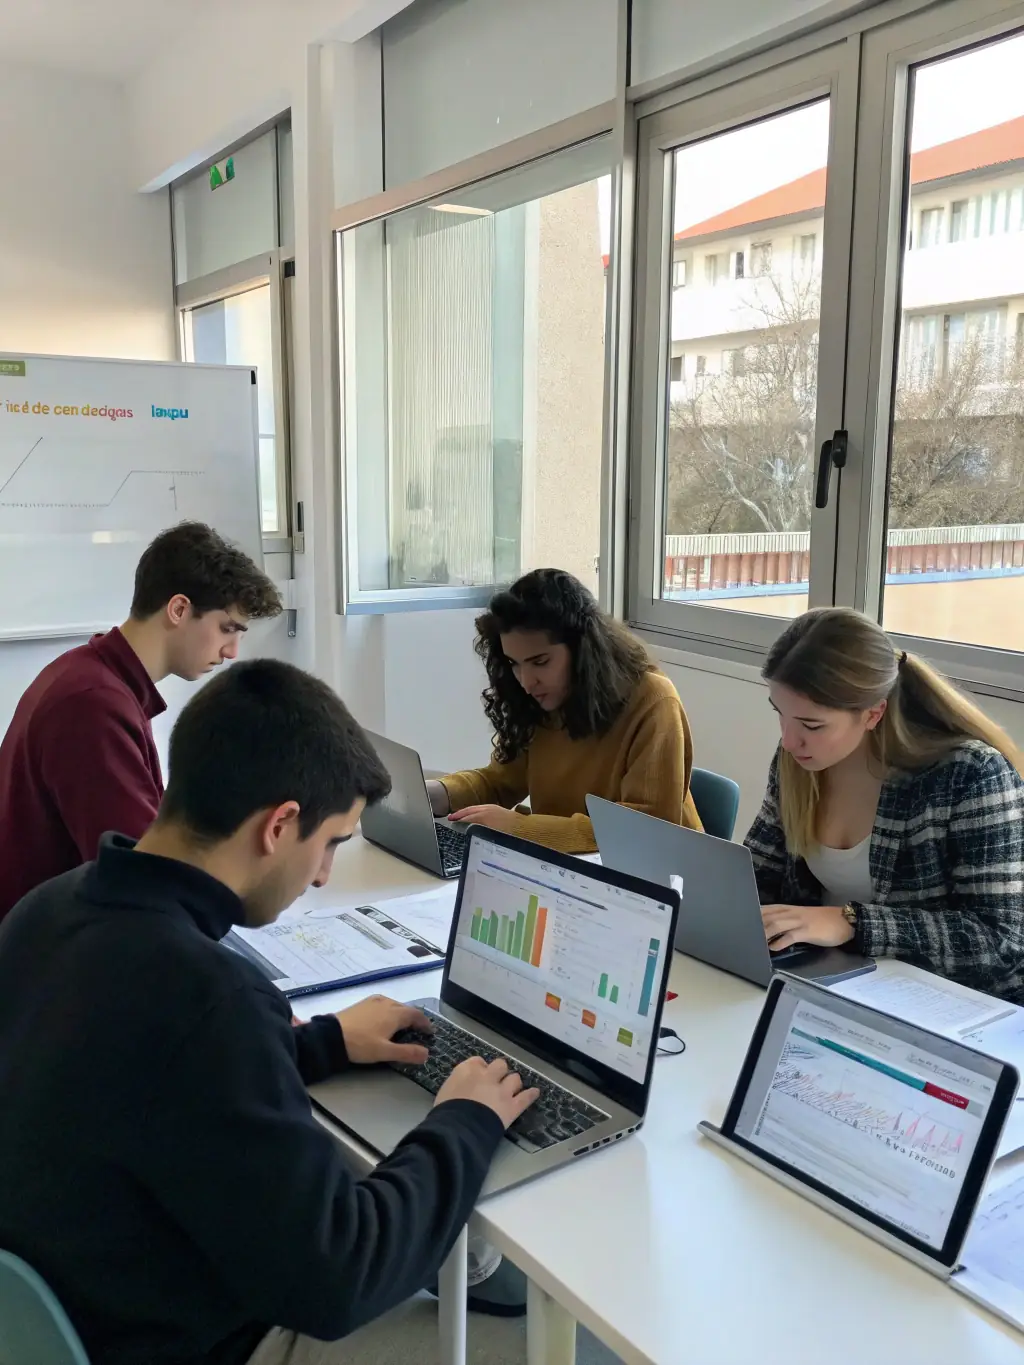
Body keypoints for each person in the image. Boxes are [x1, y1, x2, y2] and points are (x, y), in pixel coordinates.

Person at [0, 658, 538, 1365]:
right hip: (190, 1338)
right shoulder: (211, 996)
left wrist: (323, 1042)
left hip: (67, 1308)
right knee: (511, 1337)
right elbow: (341, 1277)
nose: (321, 875)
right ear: (280, 825)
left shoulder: (45, 910)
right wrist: (466, 1119)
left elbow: (147, 1078)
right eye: (331, 843)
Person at [0, 520, 281, 916]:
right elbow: (142, 873)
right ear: (179, 609)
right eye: (226, 629)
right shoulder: (92, 704)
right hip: (46, 951)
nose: (232, 651)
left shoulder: (94, 675)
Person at [745, 606, 1024, 1001]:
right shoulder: (800, 762)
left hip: (952, 1004)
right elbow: (758, 873)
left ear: (873, 713)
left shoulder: (971, 775)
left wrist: (852, 922)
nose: (790, 741)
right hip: (831, 980)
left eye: (811, 725)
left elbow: (1000, 940)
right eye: (781, 715)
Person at [429, 568, 702, 854]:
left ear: (583, 649)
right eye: (514, 663)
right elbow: (499, 781)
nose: (525, 681)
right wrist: (438, 793)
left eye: (540, 661)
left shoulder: (653, 702)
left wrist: (519, 829)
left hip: (659, 881)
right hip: (567, 872)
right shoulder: (540, 699)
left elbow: (643, 831)